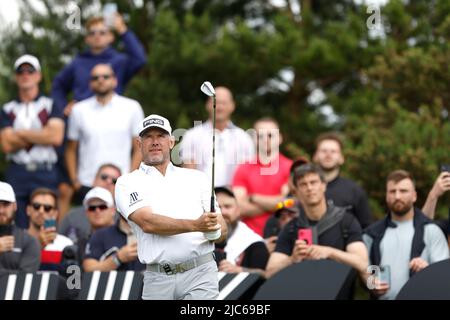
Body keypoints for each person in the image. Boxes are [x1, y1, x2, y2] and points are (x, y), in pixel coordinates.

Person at [114, 114, 227, 300]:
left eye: (161, 136)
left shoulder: (197, 178)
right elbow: (148, 222)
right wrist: (197, 225)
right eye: (148, 137)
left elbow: (222, 228)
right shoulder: (127, 182)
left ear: (172, 142)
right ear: (138, 143)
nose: (155, 141)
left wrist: (215, 230)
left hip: (201, 273)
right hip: (157, 277)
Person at [265, 164, 368, 281]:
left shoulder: (346, 221)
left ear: (324, 185)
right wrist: (292, 259)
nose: (309, 188)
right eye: (303, 184)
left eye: (313, 182)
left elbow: (363, 264)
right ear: (297, 192)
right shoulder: (291, 228)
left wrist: (330, 252)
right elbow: (269, 273)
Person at [0, 55, 65, 228]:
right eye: (21, 71)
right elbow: (6, 145)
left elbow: (55, 137)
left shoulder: (51, 104)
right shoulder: (7, 109)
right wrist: (42, 134)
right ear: (16, 77)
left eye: (30, 70)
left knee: (48, 223)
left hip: (45, 171)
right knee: (15, 225)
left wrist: (19, 133)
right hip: (17, 171)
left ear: (38, 75)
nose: (25, 74)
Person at [363, 170, 449, 300]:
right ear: (386, 196)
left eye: (403, 191)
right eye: (392, 191)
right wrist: (371, 284)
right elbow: (366, 271)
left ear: (414, 196)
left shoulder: (431, 230)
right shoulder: (371, 235)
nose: (397, 196)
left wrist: (427, 270)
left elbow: (444, 276)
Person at [65, 63, 144, 204]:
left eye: (105, 76)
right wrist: (75, 181)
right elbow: (71, 148)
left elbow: (139, 147)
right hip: (87, 183)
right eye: (95, 77)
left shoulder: (132, 107)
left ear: (115, 80)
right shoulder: (78, 110)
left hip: (120, 183)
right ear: (90, 83)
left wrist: (130, 177)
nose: (100, 80)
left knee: (122, 226)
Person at [51, 14, 146, 115]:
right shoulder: (77, 62)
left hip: (112, 116)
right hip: (82, 118)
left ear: (111, 37)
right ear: (86, 38)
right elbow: (58, 85)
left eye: (102, 32)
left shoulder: (120, 61)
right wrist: (62, 106)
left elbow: (139, 59)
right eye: (92, 33)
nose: (97, 36)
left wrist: (122, 30)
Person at [180, 86, 254, 186]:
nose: (219, 107)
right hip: (201, 197)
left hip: (234, 197)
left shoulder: (244, 138)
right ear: (207, 105)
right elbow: (189, 175)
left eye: (224, 103)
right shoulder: (192, 136)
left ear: (232, 106)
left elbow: (247, 174)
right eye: (215, 102)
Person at [232, 117, 292, 237]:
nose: (266, 140)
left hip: (282, 237)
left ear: (280, 138)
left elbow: (288, 204)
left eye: (270, 135)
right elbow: (239, 209)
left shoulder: (290, 167)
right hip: (249, 238)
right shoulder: (243, 168)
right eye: (260, 135)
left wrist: (253, 198)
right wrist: (275, 205)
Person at [313, 132, 372, 228]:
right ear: (315, 156)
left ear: (341, 158)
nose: (328, 155)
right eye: (323, 151)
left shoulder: (355, 191)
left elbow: (366, 228)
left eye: (333, 151)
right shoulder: (302, 188)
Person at [59, 163, 121, 243]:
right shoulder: (72, 216)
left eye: (114, 181)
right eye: (104, 177)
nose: (108, 182)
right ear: (94, 181)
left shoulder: (125, 219)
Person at [214, 187, 269, 275]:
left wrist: (239, 270)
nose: (223, 212)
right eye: (217, 207)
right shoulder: (197, 241)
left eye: (228, 206)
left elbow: (265, 275)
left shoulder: (254, 243)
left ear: (238, 210)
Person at [26, 188, 73, 271]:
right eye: (36, 206)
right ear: (28, 210)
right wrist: (38, 245)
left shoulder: (66, 243)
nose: (41, 211)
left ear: (55, 213)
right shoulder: (17, 240)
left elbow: (71, 278)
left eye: (47, 208)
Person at [0, 182, 40, 273]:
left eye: (6, 204)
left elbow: (25, 279)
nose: (1, 210)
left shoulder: (29, 241)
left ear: (15, 206)